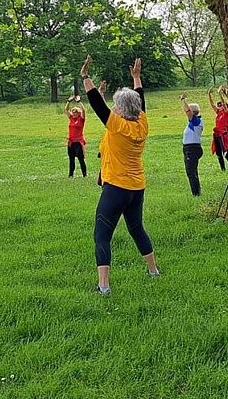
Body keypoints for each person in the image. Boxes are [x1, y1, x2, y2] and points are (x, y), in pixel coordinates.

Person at [81, 55, 159, 294]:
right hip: (136, 188)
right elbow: (141, 101)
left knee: (102, 235)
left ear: (121, 110)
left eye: (116, 105)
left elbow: (96, 103)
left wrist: (85, 76)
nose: (113, 108)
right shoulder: (142, 123)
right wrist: (136, 78)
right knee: (136, 228)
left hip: (116, 188)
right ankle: (153, 271)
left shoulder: (117, 125)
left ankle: (103, 286)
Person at [180, 92, 204, 196]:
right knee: (193, 171)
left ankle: (196, 193)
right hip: (191, 148)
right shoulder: (194, 122)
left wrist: (183, 100)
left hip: (192, 149)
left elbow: (188, 111)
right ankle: (197, 191)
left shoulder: (196, 121)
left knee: (191, 172)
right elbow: (188, 112)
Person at [208, 86, 228, 172]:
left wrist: (220, 94)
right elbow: (212, 105)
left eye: (221, 105)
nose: (219, 106)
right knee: (218, 153)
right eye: (218, 106)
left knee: (225, 153)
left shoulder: (227, 113)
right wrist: (209, 95)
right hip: (217, 134)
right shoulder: (219, 113)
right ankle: (223, 169)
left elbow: (224, 104)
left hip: (223, 134)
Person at [65, 94, 87, 178]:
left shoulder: (81, 119)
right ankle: (70, 175)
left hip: (78, 142)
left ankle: (84, 174)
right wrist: (69, 101)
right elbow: (66, 109)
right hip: (71, 142)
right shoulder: (71, 118)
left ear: (79, 113)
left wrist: (79, 102)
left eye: (76, 112)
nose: (74, 113)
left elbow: (83, 110)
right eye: (73, 112)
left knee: (81, 159)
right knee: (71, 159)